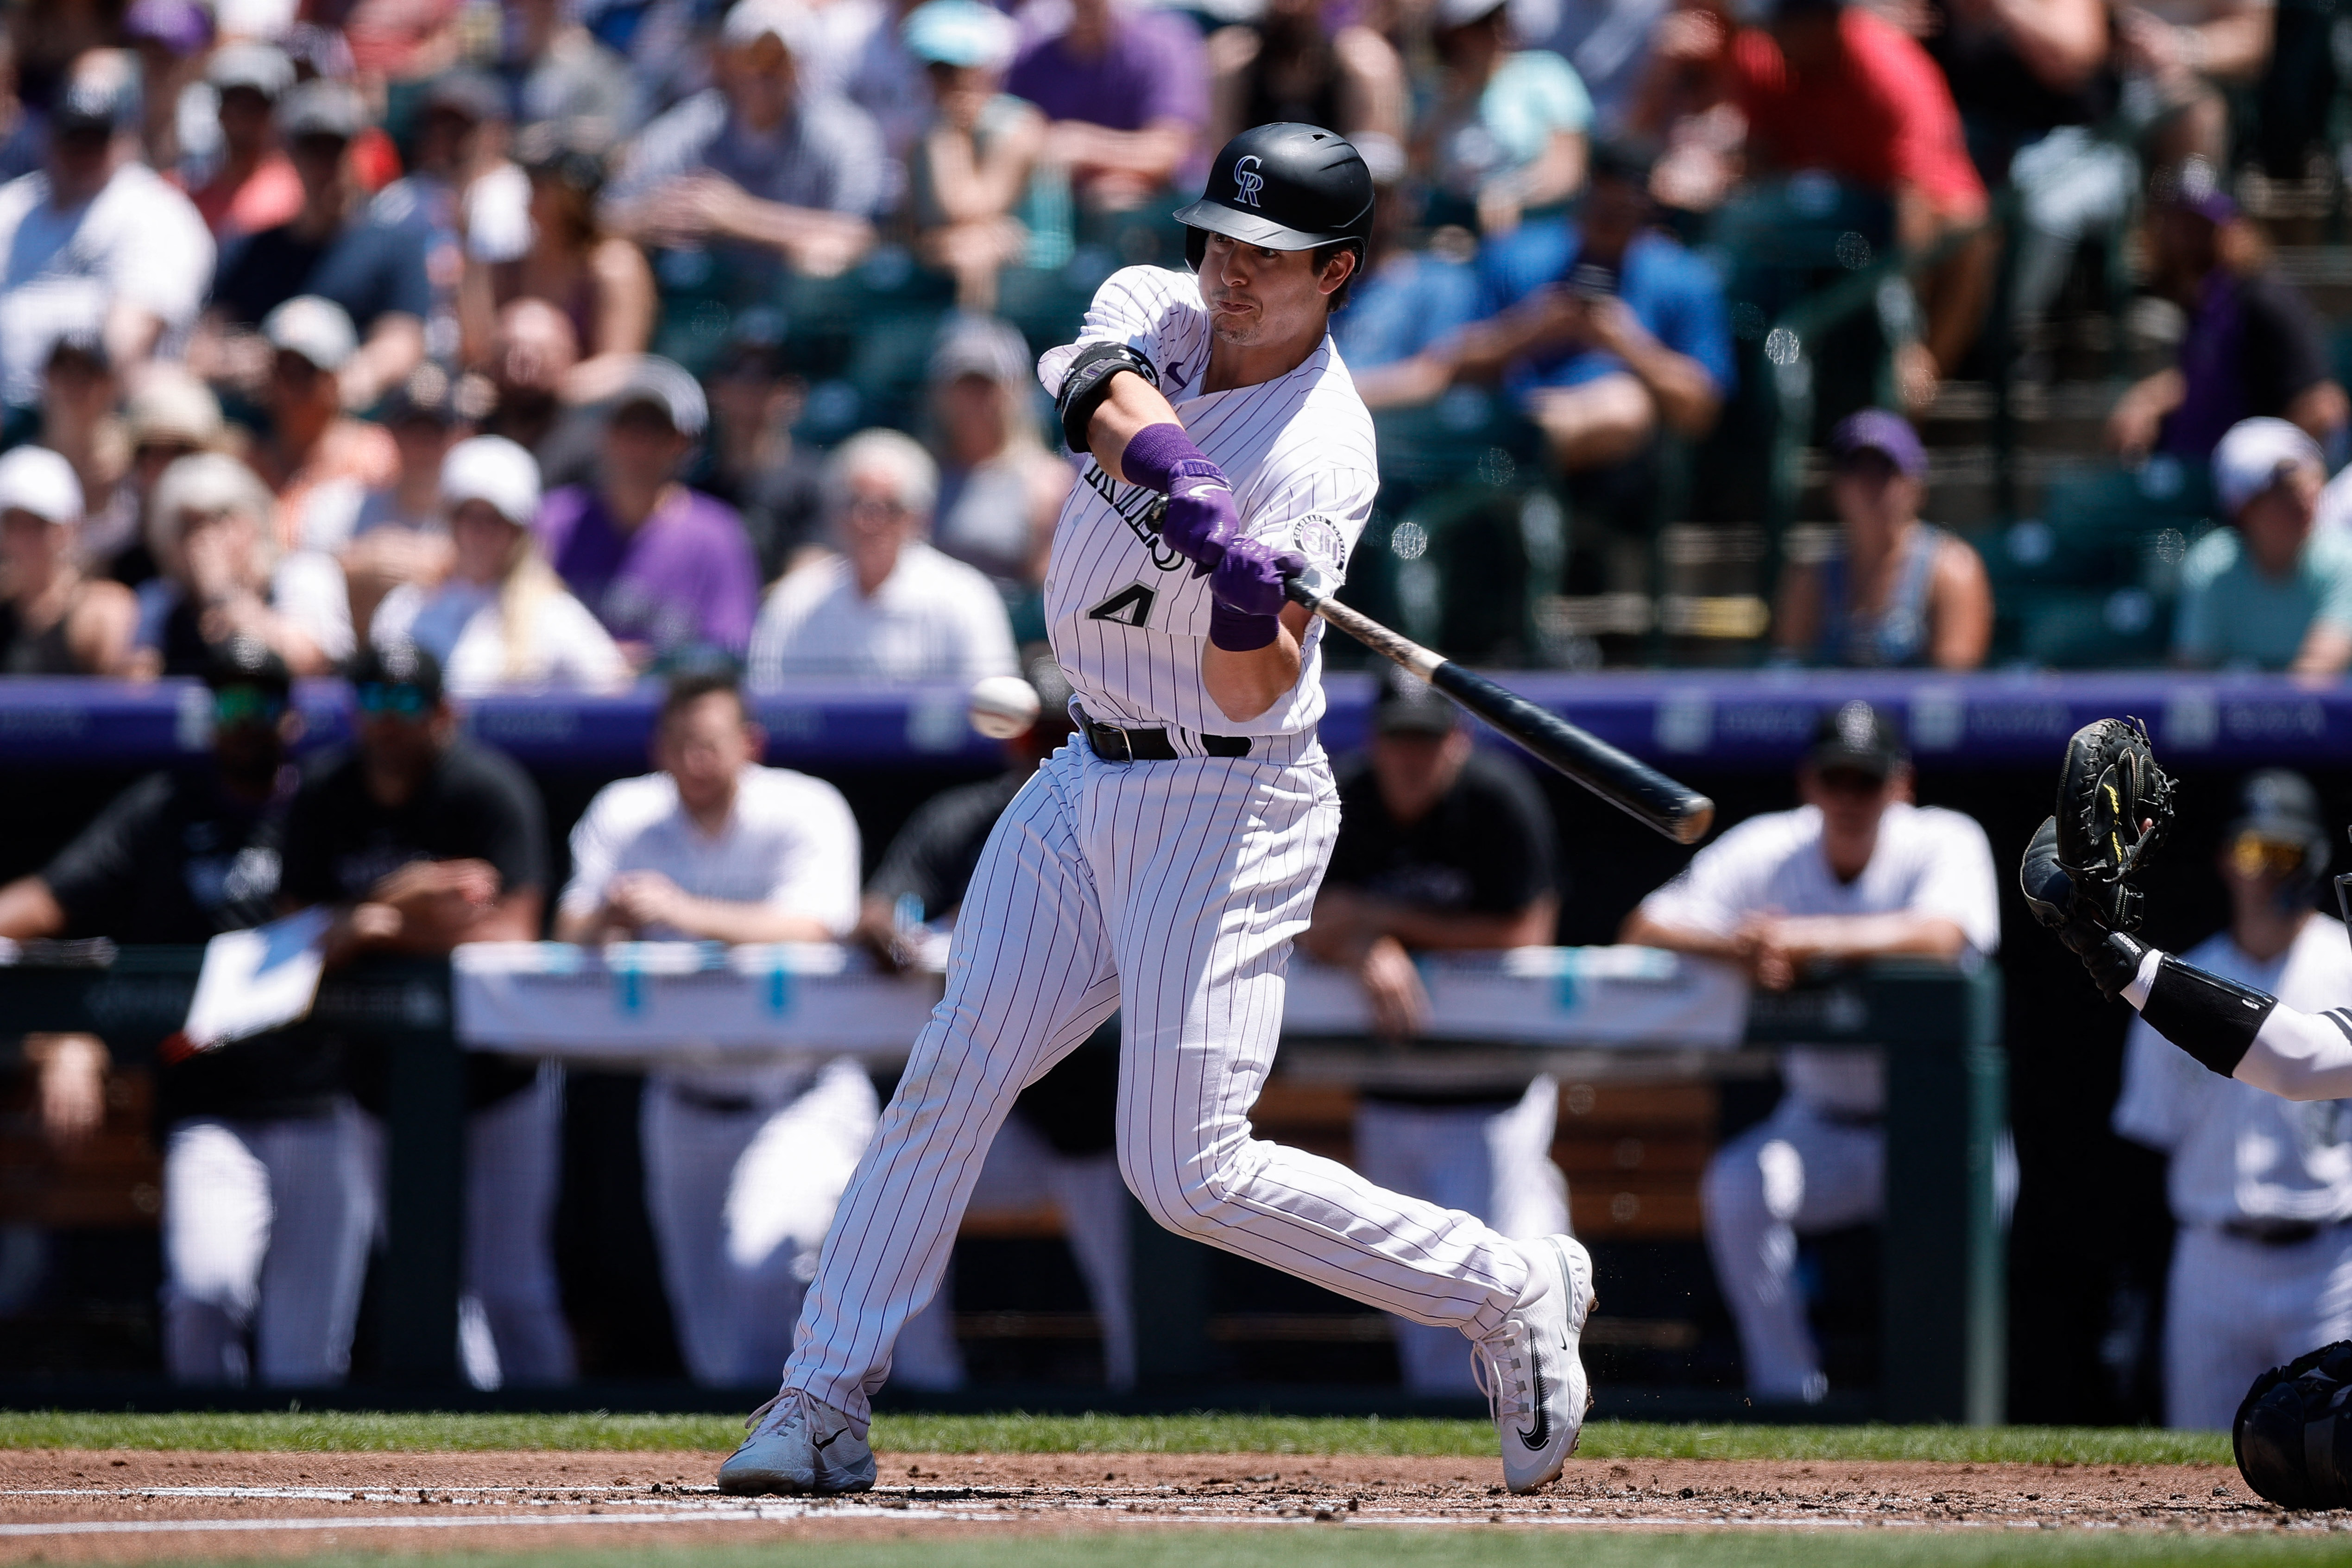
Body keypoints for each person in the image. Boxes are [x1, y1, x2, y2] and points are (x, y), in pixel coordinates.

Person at [719, 123, 1595, 1500]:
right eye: (1223, 242)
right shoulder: (1156, 307)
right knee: (956, 1061)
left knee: (1183, 1173)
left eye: (1274, 258)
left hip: (1227, 799)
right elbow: (1099, 396)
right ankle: (822, 1399)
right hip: (1082, 773)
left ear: (1340, 274)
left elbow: (1254, 691)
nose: (1234, 275)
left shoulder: (1324, 453)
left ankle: (1503, 1286)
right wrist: (1188, 488)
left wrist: (1251, 598)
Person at [0, 639, 371, 1385]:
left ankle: (293, 1501)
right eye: (229, 703)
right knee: (206, 1290)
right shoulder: (167, 807)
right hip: (211, 1104)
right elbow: (49, 901)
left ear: (292, 718)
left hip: (327, 1102)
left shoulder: (328, 803)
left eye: (262, 702)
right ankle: (203, 1469)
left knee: (308, 1358)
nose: (245, 719)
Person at [1620, 700, 1999, 1403]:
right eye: (1836, 779)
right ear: (1810, 783)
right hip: (1819, 1122)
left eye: (1867, 780)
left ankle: (1947, 1410)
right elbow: (1646, 925)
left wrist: (1807, 939)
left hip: (1927, 1130)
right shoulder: (1774, 845)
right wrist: (1735, 946)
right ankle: (1789, 1394)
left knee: (1986, 1201)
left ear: (1900, 785)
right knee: (1738, 1187)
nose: (1850, 797)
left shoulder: (1944, 837)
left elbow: (1947, 935)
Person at [556, 671, 870, 1386]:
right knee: (705, 1319)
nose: (696, 761)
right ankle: (740, 1475)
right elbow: (569, 927)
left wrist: (680, 910)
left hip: (801, 1089)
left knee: (764, 1254)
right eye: (681, 745)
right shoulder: (626, 811)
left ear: (749, 745)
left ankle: (799, 1418)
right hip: (683, 1096)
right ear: (657, 749)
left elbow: (817, 928)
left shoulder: (803, 806)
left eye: (712, 745)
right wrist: (614, 915)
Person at [279, 639, 574, 1387]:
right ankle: (476, 1463)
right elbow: (295, 935)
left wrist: (379, 924)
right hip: (377, 1088)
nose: (387, 721)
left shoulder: (484, 788)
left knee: (511, 1286)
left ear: (444, 712)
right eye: (372, 702)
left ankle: (565, 1448)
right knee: (427, 1278)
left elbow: (512, 931)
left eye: (406, 703)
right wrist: (413, 892)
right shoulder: (325, 791)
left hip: (500, 1085)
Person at [849, 659, 1138, 1391]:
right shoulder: (967, 817)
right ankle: (923, 1391)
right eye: (1029, 736)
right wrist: (905, 941)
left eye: (1054, 733)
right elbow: (880, 910)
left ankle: (1151, 1394)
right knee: (896, 1207)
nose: (1039, 751)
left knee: (1134, 1274)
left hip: (1095, 1112)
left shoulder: (1131, 815)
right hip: (992, 1109)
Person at [1298, 671, 1568, 1396]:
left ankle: (1545, 1410)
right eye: (1397, 740)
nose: (1411, 757)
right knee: (1422, 1320)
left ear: (1459, 740)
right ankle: (1444, 1490)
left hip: (1493, 1092)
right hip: (1389, 1090)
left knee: (1501, 1288)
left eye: (1427, 739)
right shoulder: (1336, 797)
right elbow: (1298, 922)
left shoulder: (1496, 800)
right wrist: (1358, 946)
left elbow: (1525, 932)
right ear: (1375, 744)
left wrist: (1380, 919)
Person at [2110, 771, 2352, 1430]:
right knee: (2199, 1467)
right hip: (2210, 1255)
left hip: (2329, 1261)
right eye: (2254, 852)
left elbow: (2298, 1059)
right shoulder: (2178, 987)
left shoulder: (2345, 961)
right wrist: (2132, 1295)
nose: (2268, 873)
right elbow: (2144, 1146)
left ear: (2313, 859)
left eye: (2285, 854)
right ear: (2224, 859)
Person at [1640, 0, 1991, 409]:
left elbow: (1915, 203)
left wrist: (1911, 340)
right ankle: (1741, 376)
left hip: (1896, 216)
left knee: (1968, 225)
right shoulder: (1763, 56)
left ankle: (1923, 371)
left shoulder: (1888, 68)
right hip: (1811, 218)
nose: (1774, 33)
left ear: (1826, 22)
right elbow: (1759, 161)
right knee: (1742, 228)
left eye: (1787, 23)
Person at [1357, 139, 1730, 479]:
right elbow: (1450, 361)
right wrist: (1533, 328)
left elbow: (1700, 411)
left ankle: (1520, 449)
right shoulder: (1518, 253)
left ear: (1645, 207)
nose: (1607, 219)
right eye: (1600, 206)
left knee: (1624, 405)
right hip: (1503, 413)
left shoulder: (1684, 278)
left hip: (1618, 464)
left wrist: (1624, 342)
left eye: (1621, 211)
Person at [604, 0, 884, 283]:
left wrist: (742, 219)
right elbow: (609, 218)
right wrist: (649, 217)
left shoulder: (842, 132)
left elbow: (858, 237)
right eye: (751, 56)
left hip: (796, 299)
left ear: (800, 66)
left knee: (822, 258)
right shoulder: (689, 129)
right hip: (707, 299)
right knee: (618, 258)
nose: (763, 72)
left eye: (777, 59)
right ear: (724, 61)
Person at [198, 80, 431, 412]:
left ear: (356, 154)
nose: (324, 166)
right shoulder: (250, 250)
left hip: (351, 420)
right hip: (260, 419)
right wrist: (236, 361)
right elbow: (204, 344)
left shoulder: (394, 246)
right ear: (290, 156)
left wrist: (330, 382)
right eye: (313, 150)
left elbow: (403, 341)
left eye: (334, 149)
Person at [0, 49, 214, 407]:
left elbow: (125, 345)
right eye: (73, 137)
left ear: (124, 138)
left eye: (95, 139)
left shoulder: (156, 213)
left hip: (101, 412)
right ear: (48, 137)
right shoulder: (13, 207)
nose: (82, 152)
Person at [2108, 167, 2349, 467]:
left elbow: (2321, 405)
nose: (2184, 241)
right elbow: (2208, 378)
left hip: (2238, 494)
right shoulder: (2204, 303)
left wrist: (2264, 486)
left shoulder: (2262, 299)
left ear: (2234, 229)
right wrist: (2147, 400)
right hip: (2194, 477)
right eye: (2175, 224)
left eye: (2200, 226)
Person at [745, 428, 1019, 686]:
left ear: (918, 517)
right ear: (833, 514)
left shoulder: (965, 597)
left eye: (890, 507)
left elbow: (995, 711)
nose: (869, 522)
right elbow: (767, 705)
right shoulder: (795, 601)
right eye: (854, 504)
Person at [537, 357, 761, 665]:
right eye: (628, 428)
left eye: (656, 432)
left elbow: (727, 651)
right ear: (604, 435)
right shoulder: (554, 523)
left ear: (683, 443)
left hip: (670, 709)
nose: (639, 447)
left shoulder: (717, 534)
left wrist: (652, 666)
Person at [373, 435, 626, 696]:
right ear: (451, 521)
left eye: (496, 521)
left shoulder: (552, 614)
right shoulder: (406, 608)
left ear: (518, 533)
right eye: (468, 516)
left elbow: (613, 693)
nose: (480, 533)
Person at [1771, 410, 1992, 669]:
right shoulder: (1810, 577)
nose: (1870, 485)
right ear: (1835, 488)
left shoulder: (1952, 571)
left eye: (1884, 469)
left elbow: (1953, 689)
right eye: (1855, 468)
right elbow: (1788, 677)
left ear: (1915, 485)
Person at [130, 451, 353, 679]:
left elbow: (312, 661)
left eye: (217, 520)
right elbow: (137, 686)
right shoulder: (160, 600)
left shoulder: (303, 573)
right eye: (189, 527)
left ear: (252, 521)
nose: (205, 539)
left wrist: (225, 596)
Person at [461, 138, 654, 394]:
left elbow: (619, 365)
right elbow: (478, 353)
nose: (531, 198)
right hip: (520, 407)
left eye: (543, 187)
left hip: (585, 413)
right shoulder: (513, 268)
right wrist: (469, 236)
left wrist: (545, 388)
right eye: (532, 185)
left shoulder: (613, 265)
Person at [2174, 417, 2352, 675]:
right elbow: (2191, 678)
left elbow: (2315, 679)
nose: (2303, 497)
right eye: (2282, 490)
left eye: (2308, 478)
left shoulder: (2344, 560)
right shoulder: (2210, 567)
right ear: (2244, 509)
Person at [903, 0, 1049, 312]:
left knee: (974, 251)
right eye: (936, 69)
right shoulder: (925, 131)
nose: (944, 82)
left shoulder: (1019, 125)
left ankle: (974, 351)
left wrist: (950, 137)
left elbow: (966, 209)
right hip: (946, 261)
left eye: (955, 70)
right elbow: (911, 229)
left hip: (1036, 272)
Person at [1004, 0, 1208, 213]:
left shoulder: (1164, 42)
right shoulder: (1034, 57)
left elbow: (1169, 153)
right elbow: (1006, 138)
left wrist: (1082, 147)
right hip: (1058, 204)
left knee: (1116, 197)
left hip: (1168, 206)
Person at [923, 315, 1072, 603]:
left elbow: (1047, 588)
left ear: (1014, 390)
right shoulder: (920, 473)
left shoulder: (1046, 482)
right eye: (963, 385)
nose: (975, 399)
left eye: (987, 385)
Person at [1409, 0, 1591, 235]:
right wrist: (1450, 104)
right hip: (1449, 228)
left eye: (1496, 19)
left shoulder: (1546, 75)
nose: (1494, 29)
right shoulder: (1435, 93)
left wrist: (1512, 195)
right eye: (1478, 25)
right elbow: (1415, 172)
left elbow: (1566, 171)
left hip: (1533, 228)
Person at [240, 296, 399, 556]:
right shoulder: (250, 463)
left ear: (335, 378)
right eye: (280, 370)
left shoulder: (378, 458)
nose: (288, 388)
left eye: (304, 373)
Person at [1207, 0, 1405, 178]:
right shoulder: (1234, 60)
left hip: (1336, 199)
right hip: (1255, 196)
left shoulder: (1364, 63)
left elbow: (1371, 172)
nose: (1291, 6)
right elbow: (1223, 162)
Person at [696, 313, 825, 585]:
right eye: (736, 370)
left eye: (767, 374)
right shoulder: (693, 482)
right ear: (715, 388)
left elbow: (812, 577)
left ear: (793, 394)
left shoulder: (815, 484)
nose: (749, 385)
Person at [335, 368, 460, 643]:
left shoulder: (472, 512)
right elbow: (310, 573)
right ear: (391, 434)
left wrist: (436, 564)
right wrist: (360, 563)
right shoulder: (345, 506)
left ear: (456, 437)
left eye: (434, 432)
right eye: (411, 430)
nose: (422, 444)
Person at [0, 443, 134, 673]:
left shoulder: (101, 612)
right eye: (15, 524)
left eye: (38, 525)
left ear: (69, 529)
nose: (25, 539)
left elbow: (121, 698)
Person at [184, 41, 303, 243]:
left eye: (255, 107)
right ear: (220, 112)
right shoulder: (190, 192)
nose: (243, 119)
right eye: (234, 104)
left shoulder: (296, 196)